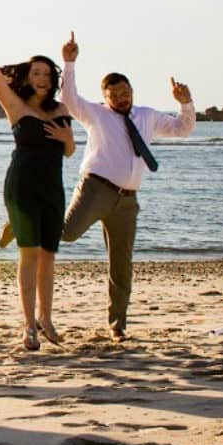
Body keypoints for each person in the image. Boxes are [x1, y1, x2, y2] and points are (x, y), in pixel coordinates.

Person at [55, 31, 195, 339]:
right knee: (65, 234)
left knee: (121, 263)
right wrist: (69, 61)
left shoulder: (147, 116)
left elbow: (182, 129)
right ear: (105, 96)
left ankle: (117, 324)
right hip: (96, 189)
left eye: (125, 92)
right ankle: (23, 223)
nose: (122, 98)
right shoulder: (96, 114)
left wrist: (185, 104)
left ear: (132, 90)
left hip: (128, 200)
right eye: (115, 94)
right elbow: (68, 100)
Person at [0, 6, 75, 350]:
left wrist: (68, 140)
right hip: (22, 186)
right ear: (27, 77)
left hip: (53, 189)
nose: (42, 78)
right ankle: (28, 325)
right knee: (29, 255)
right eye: (36, 72)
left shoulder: (61, 110)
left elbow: (69, 152)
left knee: (49, 256)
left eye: (46, 73)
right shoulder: (15, 106)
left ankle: (47, 318)